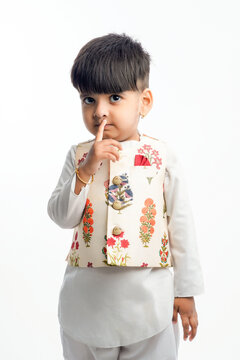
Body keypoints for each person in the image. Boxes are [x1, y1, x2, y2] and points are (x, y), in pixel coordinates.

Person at [47, 32, 204, 360]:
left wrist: (185, 291)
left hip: (149, 302)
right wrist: (87, 169)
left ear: (144, 101)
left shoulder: (162, 156)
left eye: (114, 97)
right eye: (89, 99)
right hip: (85, 304)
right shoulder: (79, 156)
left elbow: (182, 225)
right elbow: (61, 216)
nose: (100, 111)